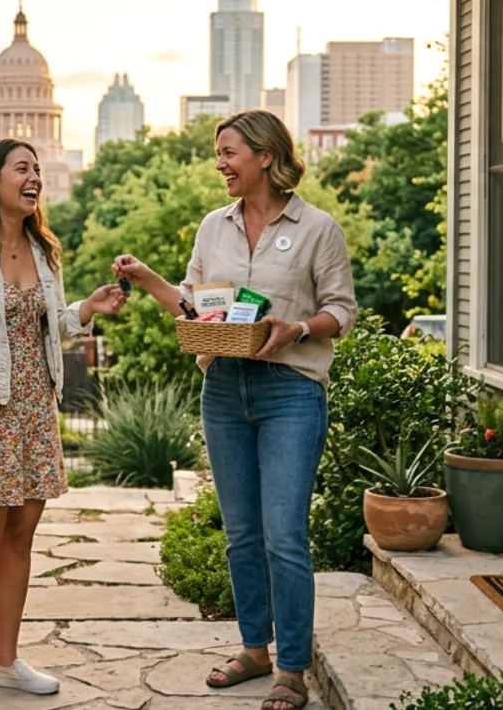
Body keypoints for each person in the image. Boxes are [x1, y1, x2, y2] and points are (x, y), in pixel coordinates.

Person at [112, 110, 356, 710]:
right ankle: (254, 650)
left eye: (229, 153)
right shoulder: (212, 227)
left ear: (265, 157)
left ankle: (292, 669)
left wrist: (297, 328)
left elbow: (341, 311)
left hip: (290, 391)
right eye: (218, 153)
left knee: (284, 535)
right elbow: (195, 307)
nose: (219, 163)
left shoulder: (317, 228)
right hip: (223, 387)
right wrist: (147, 278)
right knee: (241, 534)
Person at [0, 138, 126, 710]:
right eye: (22, 169)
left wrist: (86, 309)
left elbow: (48, 323)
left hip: (36, 408)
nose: (34, 177)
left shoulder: (43, 249)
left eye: (37, 169)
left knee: (20, 540)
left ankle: (6, 662)